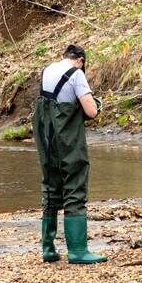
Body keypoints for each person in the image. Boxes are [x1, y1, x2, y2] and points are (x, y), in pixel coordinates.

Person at [32, 43, 105, 265]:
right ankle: (78, 251)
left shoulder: (47, 70)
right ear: (80, 60)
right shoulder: (76, 74)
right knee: (74, 183)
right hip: (67, 138)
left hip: (45, 136)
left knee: (51, 185)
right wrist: (98, 105)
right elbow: (91, 111)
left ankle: (48, 249)